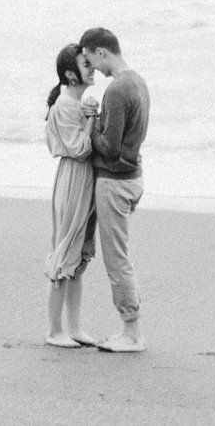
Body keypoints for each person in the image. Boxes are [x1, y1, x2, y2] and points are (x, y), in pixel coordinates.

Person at [79, 27, 150, 352]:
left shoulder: (118, 90)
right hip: (133, 177)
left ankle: (132, 332)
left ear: (101, 51)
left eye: (92, 60)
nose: (93, 69)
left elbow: (108, 147)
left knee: (116, 260)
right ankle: (129, 329)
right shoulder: (138, 82)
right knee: (119, 257)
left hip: (115, 182)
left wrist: (89, 125)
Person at [41, 42, 98, 347]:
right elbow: (78, 148)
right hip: (74, 178)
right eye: (85, 64)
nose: (91, 69)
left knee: (77, 258)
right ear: (70, 74)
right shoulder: (65, 105)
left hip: (83, 179)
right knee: (65, 253)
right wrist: (90, 118)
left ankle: (74, 327)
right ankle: (54, 330)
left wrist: (89, 113)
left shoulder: (76, 103)